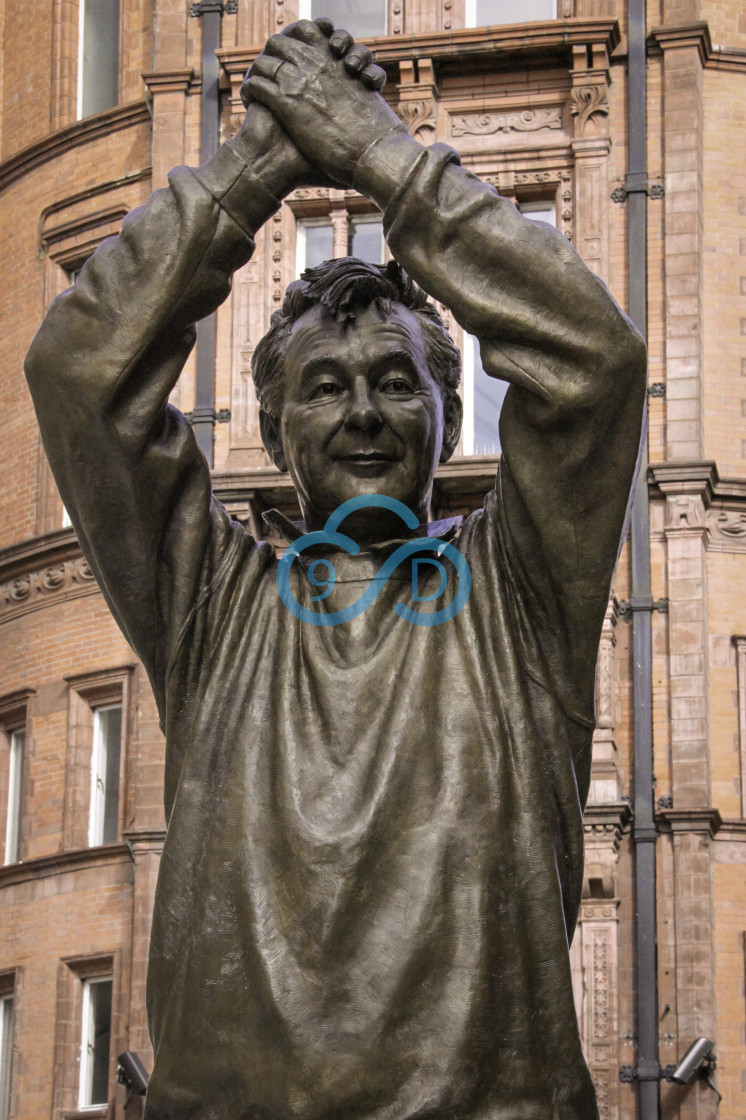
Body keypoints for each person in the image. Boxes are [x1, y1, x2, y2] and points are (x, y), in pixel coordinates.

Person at [25, 19, 646, 1120]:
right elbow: (80, 368)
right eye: (323, 386)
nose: (362, 412)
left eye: (397, 384)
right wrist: (262, 159)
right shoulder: (210, 604)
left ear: (450, 419)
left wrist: (377, 154)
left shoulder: (519, 593)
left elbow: (591, 360)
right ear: (270, 425)